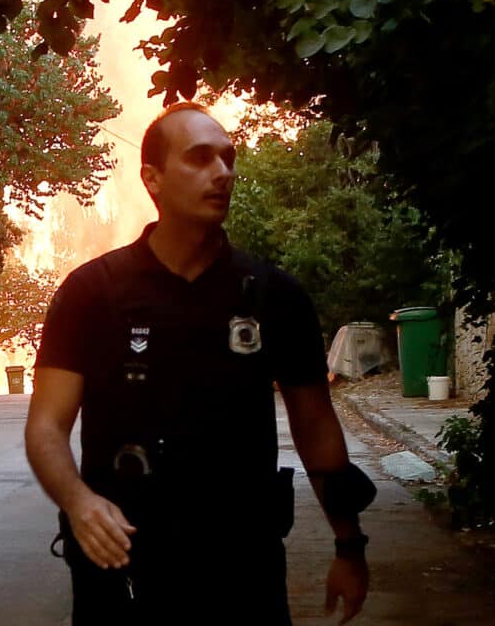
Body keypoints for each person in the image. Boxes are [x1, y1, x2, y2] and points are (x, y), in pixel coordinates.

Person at [25, 101, 375, 624]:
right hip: (124, 565)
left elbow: (316, 427)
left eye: (229, 159)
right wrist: (78, 502)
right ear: (153, 179)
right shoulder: (93, 293)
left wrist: (349, 546)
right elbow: (47, 427)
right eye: (200, 158)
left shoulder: (273, 297)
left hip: (242, 568)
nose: (222, 173)